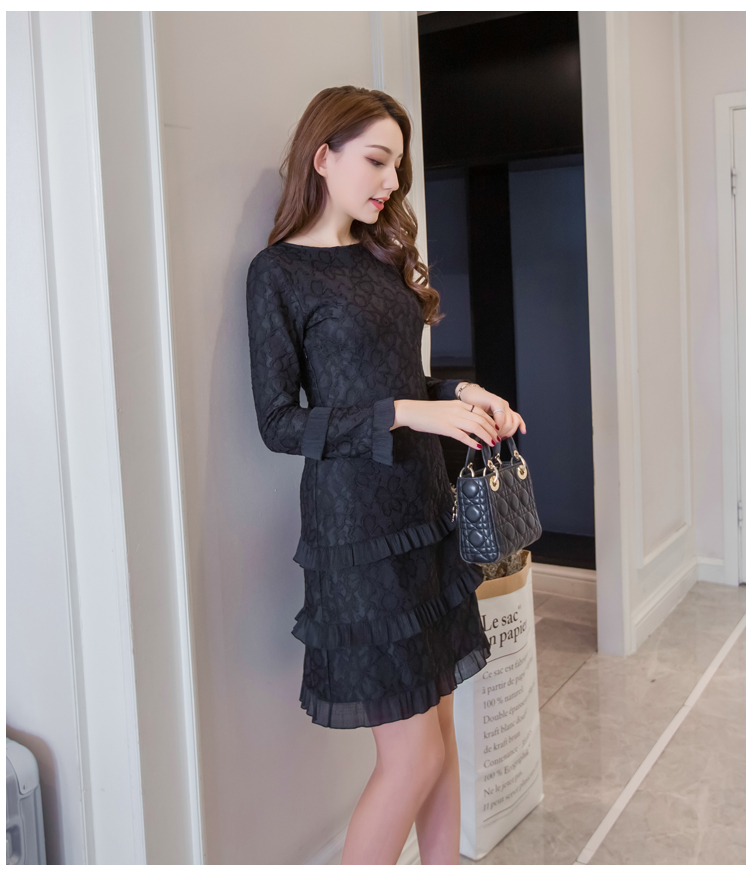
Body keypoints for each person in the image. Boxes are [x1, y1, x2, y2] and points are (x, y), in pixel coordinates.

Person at [245, 85, 526, 865]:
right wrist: (410, 412)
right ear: (322, 156)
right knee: (413, 756)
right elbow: (280, 423)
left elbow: (403, 381)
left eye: (397, 165)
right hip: (358, 531)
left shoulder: (383, 257)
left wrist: (460, 394)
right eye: (377, 160)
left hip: (424, 514)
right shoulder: (278, 273)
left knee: (441, 736)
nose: (392, 181)